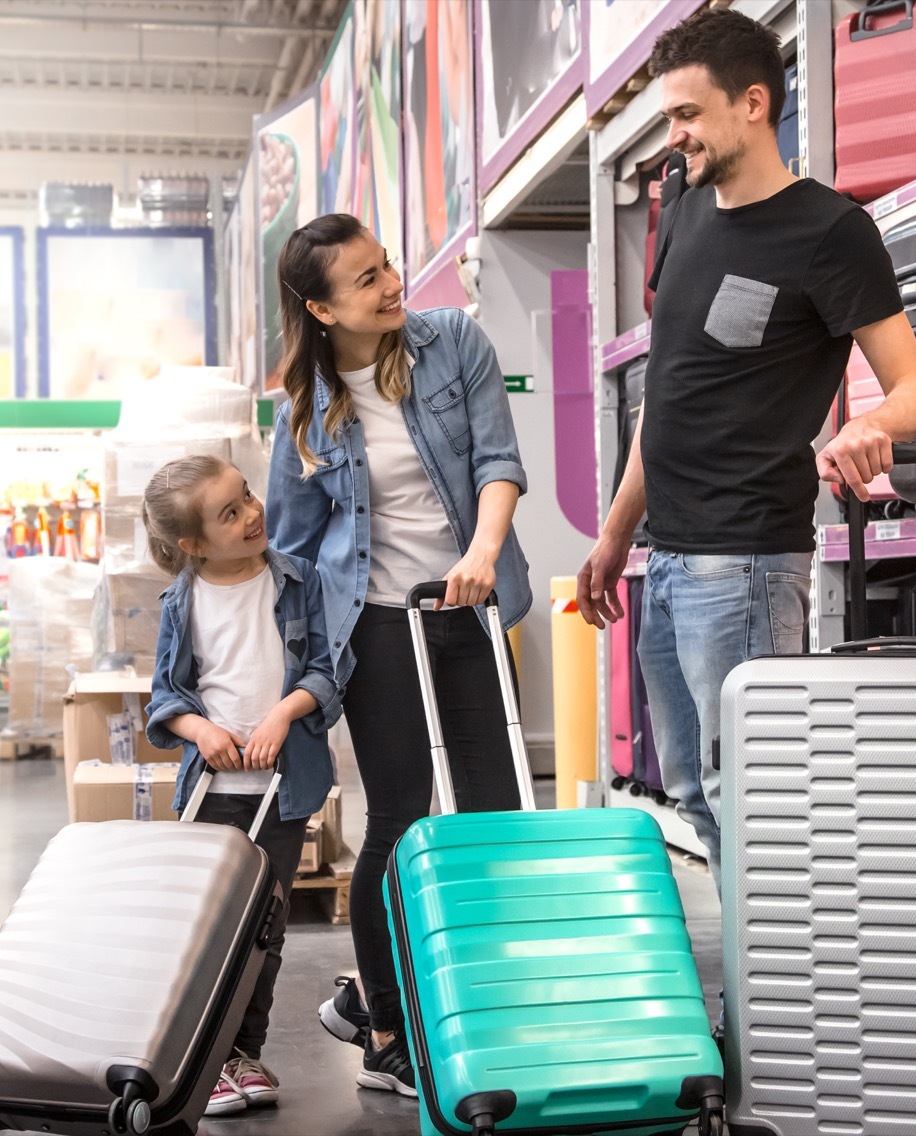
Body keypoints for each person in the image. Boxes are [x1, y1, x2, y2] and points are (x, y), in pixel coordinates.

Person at [577, 8, 916, 890]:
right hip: (666, 561)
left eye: (688, 116)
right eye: (668, 118)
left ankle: (780, 1017)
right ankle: (754, 1004)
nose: (675, 136)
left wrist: (867, 426)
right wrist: (618, 534)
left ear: (752, 104)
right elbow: (667, 394)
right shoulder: (688, 211)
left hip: (745, 565)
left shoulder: (828, 231)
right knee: (701, 804)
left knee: (757, 804)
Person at [264, 213, 532, 1097]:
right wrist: (296, 679)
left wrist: (484, 552)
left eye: (386, 265)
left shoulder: (450, 340)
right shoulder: (303, 411)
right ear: (321, 307)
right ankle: (384, 1025)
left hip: (471, 606)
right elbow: (294, 554)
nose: (392, 284)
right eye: (367, 279)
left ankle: (493, 1009)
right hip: (375, 627)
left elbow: (498, 458)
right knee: (401, 819)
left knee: (495, 821)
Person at [143, 454, 342, 1118]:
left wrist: (285, 714)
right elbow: (166, 698)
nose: (254, 512)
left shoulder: (297, 579)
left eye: (248, 496)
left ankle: (242, 1055)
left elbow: (325, 671)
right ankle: (208, 1059)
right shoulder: (182, 600)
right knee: (210, 934)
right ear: (192, 545)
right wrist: (202, 732)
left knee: (266, 929)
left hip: (281, 792)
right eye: (230, 512)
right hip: (214, 793)